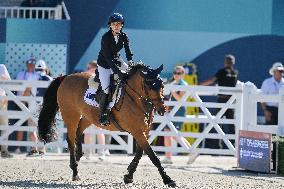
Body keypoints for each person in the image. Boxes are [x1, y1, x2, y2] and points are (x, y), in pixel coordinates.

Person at [96, 13, 134, 126]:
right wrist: (118, 73)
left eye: (119, 24)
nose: (117, 26)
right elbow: (108, 59)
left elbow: (128, 51)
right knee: (106, 88)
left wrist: (131, 63)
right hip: (104, 64)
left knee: (131, 76)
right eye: (114, 24)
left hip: (117, 60)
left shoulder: (124, 36)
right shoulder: (105, 38)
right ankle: (103, 114)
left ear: (122, 25)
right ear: (110, 25)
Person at [161, 66, 198, 164]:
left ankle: (192, 151)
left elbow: (180, 99)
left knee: (173, 134)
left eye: (179, 73)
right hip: (172, 111)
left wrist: (172, 90)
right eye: (175, 73)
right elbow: (170, 98)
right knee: (167, 133)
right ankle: (168, 157)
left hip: (179, 111)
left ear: (183, 74)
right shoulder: (173, 83)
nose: (176, 75)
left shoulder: (183, 84)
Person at [201, 54, 238, 148]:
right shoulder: (235, 72)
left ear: (225, 62)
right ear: (233, 63)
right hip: (231, 101)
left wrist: (199, 85)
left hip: (222, 100)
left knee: (217, 123)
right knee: (231, 124)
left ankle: (217, 145)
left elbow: (212, 80)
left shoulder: (221, 71)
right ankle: (233, 145)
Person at [14, 57, 42, 156]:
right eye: (29, 63)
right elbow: (18, 87)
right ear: (27, 64)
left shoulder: (37, 75)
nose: (31, 65)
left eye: (33, 64)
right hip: (21, 101)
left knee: (34, 126)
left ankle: (37, 149)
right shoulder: (21, 74)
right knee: (20, 125)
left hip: (32, 103)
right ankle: (18, 148)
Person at [84, 60, 110, 160]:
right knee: (97, 130)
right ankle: (99, 153)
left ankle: (90, 153)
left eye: (88, 67)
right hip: (96, 105)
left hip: (93, 105)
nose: (87, 69)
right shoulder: (102, 75)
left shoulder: (91, 74)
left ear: (92, 67)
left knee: (92, 130)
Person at [0, 64, 13, 158]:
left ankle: (4, 150)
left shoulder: (2, 67)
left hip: (2, 100)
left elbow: (9, 81)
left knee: (4, 126)